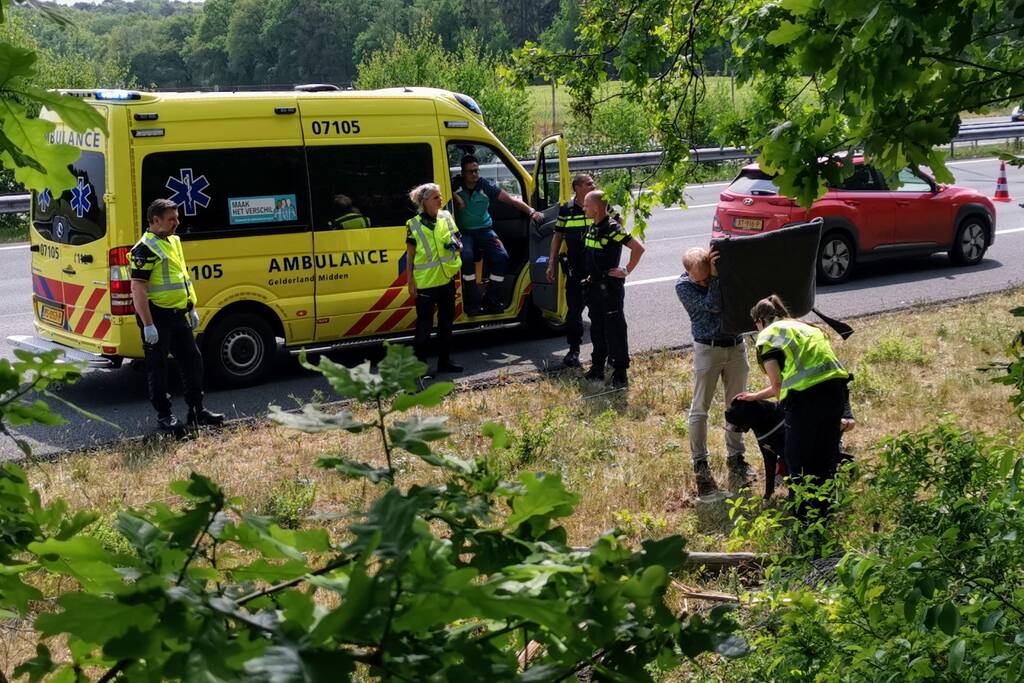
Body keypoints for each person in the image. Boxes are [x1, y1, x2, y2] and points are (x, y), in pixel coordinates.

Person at [735, 294, 850, 507]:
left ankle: (804, 521)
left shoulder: (767, 336)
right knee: (825, 458)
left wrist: (775, 404)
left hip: (805, 401)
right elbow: (829, 370)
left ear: (759, 321)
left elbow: (778, 386)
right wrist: (756, 396)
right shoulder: (806, 326)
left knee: (798, 462)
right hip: (835, 395)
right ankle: (826, 513)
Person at [130, 198, 224, 432]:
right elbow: (138, 289)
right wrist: (148, 324)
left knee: (193, 361)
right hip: (157, 317)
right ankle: (165, 416)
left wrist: (190, 307)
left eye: (177, 217)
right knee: (158, 368)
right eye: (171, 219)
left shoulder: (173, 241)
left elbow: (180, 277)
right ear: (155, 221)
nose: (177, 222)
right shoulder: (144, 248)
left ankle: (196, 411)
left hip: (178, 315)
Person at [675, 246, 753, 496]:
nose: (707, 281)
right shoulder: (683, 287)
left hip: (735, 346)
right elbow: (714, 304)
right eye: (703, 279)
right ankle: (700, 462)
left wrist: (723, 272)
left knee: (738, 404)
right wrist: (718, 279)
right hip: (708, 349)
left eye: (709, 276)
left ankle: (736, 457)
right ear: (688, 273)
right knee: (700, 408)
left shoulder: (718, 274)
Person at [452, 155, 544, 315]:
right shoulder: (455, 184)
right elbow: (440, 190)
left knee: (501, 257)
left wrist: (531, 211)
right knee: (465, 257)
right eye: (470, 171)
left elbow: (511, 200)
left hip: (484, 229)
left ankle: (491, 299)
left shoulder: (485, 186)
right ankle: (472, 302)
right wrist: (456, 197)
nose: (474, 174)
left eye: (476, 170)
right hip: (464, 232)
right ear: (463, 172)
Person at [580, 190, 645, 389]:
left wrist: (626, 270)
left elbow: (638, 248)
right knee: (597, 328)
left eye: (586, 205)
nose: (583, 208)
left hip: (609, 288)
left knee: (615, 329)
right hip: (594, 287)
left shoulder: (612, 228)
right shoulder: (592, 227)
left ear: (597, 207)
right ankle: (598, 366)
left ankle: (620, 372)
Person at [405, 183, 463, 375]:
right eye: (436, 197)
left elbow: (458, 239)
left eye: (440, 196)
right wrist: (410, 282)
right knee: (424, 327)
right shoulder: (413, 224)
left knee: (447, 324)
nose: (440, 200)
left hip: (446, 279)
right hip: (426, 283)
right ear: (424, 202)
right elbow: (410, 256)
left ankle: (445, 362)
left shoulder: (446, 216)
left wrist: (455, 244)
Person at [546, 174, 595, 367]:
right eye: (589, 183)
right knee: (573, 314)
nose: (594, 185)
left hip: (596, 271)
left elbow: (617, 227)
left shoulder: (600, 204)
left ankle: (602, 353)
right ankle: (574, 351)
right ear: (577, 187)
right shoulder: (566, 209)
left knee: (598, 314)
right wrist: (551, 263)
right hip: (575, 271)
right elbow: (557, 236)